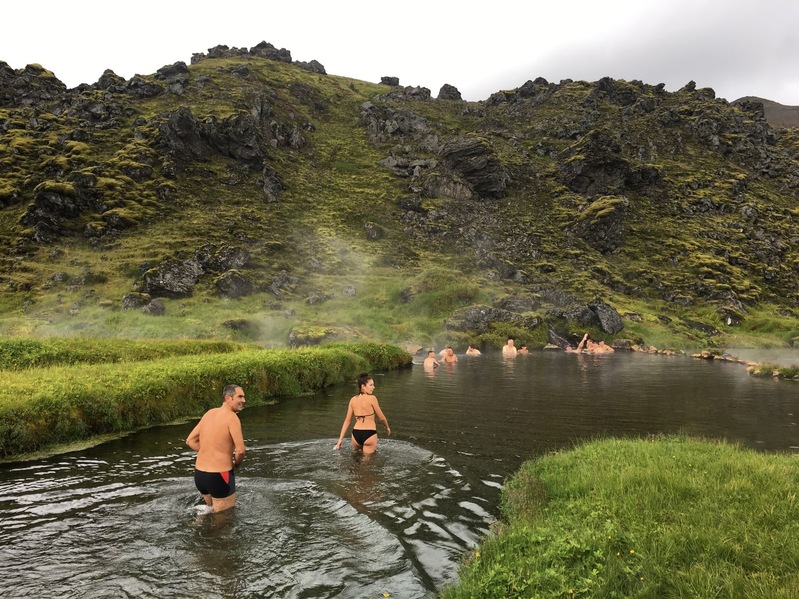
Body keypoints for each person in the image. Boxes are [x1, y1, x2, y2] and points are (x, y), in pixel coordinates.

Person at [186, 384, 247, 512]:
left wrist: (209, 452)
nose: (243, 400)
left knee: (209, 512)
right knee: (223, 520)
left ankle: (196, 526)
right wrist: (237, 464)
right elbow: (241, 450)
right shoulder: (232, 418)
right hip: (220, 475)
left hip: (200, 475)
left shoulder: (209, 413)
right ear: (228, 398)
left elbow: (190, 440)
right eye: (240, 397)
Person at [334, 372, 391, 454]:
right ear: (363, 387)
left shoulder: (353, 400)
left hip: (355, 434)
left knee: (356, 459)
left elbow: (347, 421)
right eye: (371, 385)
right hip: (369, 434)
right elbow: (382, 418)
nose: (373, 387)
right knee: (367, 464)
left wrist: (340, 440)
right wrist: (387, 427)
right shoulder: (372, 398)